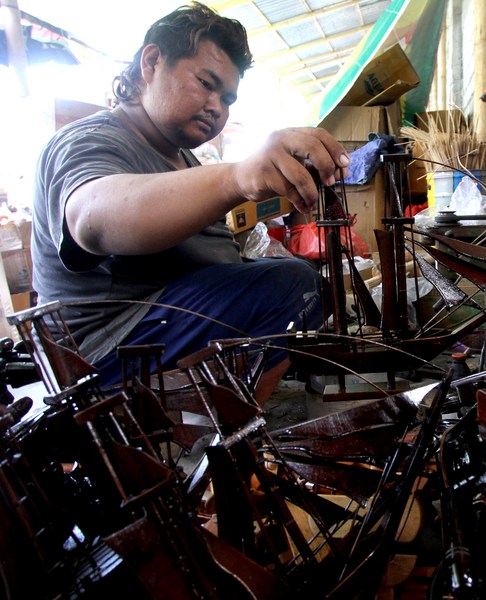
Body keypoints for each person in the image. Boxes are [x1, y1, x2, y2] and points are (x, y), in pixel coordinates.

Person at [30, 2, 350, 404]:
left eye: (228, 97)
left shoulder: (182, 159)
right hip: (104, 355)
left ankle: (223, 421)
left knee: (307, 280)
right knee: (292, 285)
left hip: (159, 325)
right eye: (206, 82)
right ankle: (226, 440)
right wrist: (236, 177)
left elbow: (216, 253)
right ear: (151, 62)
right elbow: (91, 218)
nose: (217, 106)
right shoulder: (90, 140)